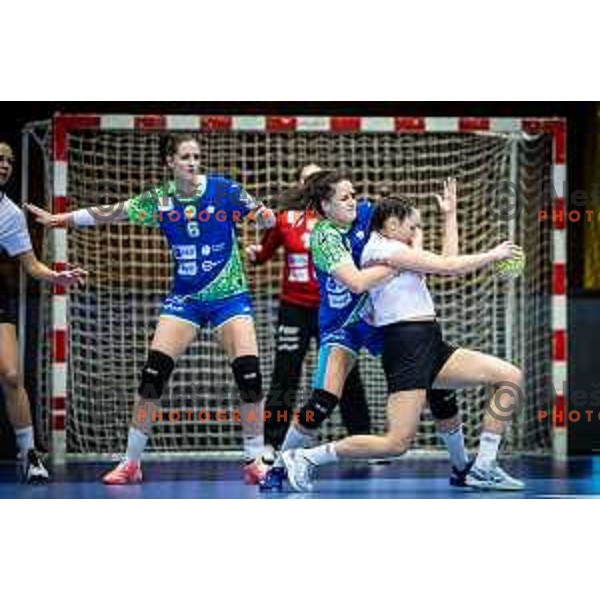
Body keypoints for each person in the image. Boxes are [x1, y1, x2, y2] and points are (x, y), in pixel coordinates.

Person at [27, 134, 275, 485]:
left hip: (229, 297)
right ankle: (131, 462)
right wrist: (61, 219)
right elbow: (112, 212)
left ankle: (254, 460)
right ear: (169, 162)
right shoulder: (159, 200)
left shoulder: (225, 190)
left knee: (249, 375)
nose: (192, 162)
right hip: (184, 300)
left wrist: (266, 218)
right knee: (152, 377)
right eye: (185, 157)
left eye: (196, 156)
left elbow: (266, 218)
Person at [282, 193, 525, 492]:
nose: (415, 234)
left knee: (510, 376)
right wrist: (493, 254)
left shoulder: (399, 248)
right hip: (406, 346)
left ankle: (484, 466)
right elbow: (451, 267)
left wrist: (449, 216)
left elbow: (446, 263)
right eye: (412, 227)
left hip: (430, 341)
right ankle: (306, 457)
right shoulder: (384, 249)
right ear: (393, 224)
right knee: (396, 443)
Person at [264, 171, 471, 490]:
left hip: (379, 320)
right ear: (325, 204)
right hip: (343, 325)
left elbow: (404, 222)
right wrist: (401, 263)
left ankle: (462, 466)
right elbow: (358, 283)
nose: (355, 200)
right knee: (323, 399)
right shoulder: (325, 236)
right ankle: (280, 466)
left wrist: (428, 226)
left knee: (435, 384)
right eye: (345, 197)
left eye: (354, 194)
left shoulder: (365, 212)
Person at [245, 163, 371, 459]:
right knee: (284, 375)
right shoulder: (285, 220)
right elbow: (264, 253)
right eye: (308, 180)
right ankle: (271, 443)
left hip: (333, 311)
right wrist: (254, 255)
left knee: (347, 376)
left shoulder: (342, 221)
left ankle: (363, 442)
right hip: (294, 310)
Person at [0, 141, 86, 483]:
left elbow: (32, 265)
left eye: (8, 161)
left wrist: (56, 275)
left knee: (10, 374)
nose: (4, 165)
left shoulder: (9, 213)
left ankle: (29, 453)